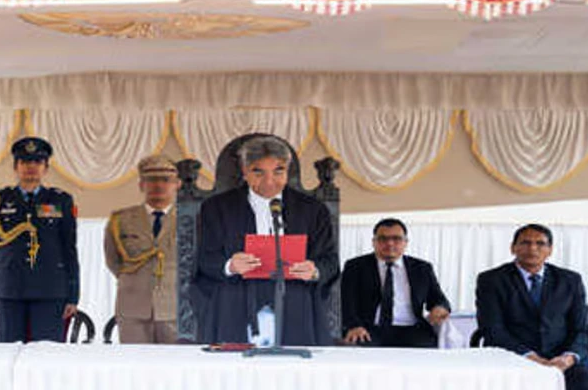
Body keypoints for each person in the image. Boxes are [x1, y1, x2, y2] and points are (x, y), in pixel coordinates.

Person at [476, 223, 588, 390]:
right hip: (514, 358)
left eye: (540, 243)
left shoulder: (570, 280)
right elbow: (493, 329)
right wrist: (529, 356)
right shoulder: (491, 280)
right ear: (513, 247)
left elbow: (581, 330)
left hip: (561, 360)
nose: (532, 248)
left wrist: (568, 357)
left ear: (549, 250)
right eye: (526, 243)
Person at [196, 134, 338, 345]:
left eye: (278, 171)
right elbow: (204, 260)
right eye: (258, 172)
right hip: (235, 303)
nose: (269, 181)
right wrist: (230, 266)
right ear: (244, 172)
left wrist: (314, 270)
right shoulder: (217, 208)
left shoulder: (312, 210)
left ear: (287, 171)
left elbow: (330, 262)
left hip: (295, 304)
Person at [0, 136, 79, 343]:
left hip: (50, 290)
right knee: (8, 355)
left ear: (46, 168)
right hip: (7, 289)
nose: (31, 167)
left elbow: (69, 249)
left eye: (37, 162)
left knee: (47, 357)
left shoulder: (60, 199)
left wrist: (73, 295)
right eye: (25, 162)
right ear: (16, 167)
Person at [104, 154, 180, 343]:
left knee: (175, 367)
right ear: (141, 185)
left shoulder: (191, 220)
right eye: (151, 180)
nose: (159, 185)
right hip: (133, 308)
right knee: (133, 367)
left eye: (166, 180)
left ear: (177, 184)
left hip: (174, 308)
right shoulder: (120, 220)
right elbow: (114, 261)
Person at [341, 218, 451, 347]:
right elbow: (345, 301)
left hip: (412, 328)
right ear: (374, 242)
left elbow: (439, 299)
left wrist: (439, 307)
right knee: (359, 345)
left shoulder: (422, 268)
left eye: (396, 238)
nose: (390, 243)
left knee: (427, 348)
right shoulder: (355, 266)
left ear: (405, 242)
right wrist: (354, 325)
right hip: (369, 329)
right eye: (383, 239)